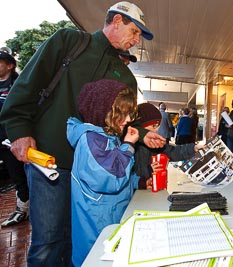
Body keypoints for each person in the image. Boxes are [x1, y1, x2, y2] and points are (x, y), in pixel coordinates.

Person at [0, 2, 166, 266]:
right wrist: (19, 130)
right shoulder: (69, 41)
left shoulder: (125, 77)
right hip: (50, 160)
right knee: (49, 241)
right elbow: (28, 83)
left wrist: (144, 134)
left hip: (93, 168)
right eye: (134, 31)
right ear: (116, 21)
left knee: (81, 239)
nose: (137, 40)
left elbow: (122, 120)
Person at [66, 79, 141, 267]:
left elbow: (121, 175)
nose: (129, 119)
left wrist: (139, 182)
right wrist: (129, 145)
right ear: (102, 112)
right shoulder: (90, 140)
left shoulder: (106, 137)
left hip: (108, 222)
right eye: (122, 114)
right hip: (96, 232)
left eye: (130, 114)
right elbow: (111, 178)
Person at [134, 103, 204, 187]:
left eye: (158, 126)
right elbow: (128, 175)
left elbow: (173, 151)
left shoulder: (154, 142)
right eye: (154, 126)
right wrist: (148, 171)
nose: (157, 130)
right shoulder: (131, 145)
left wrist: (193, 148)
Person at [0, 49, 30, 227]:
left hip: (13, 139)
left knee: (19, 175)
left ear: (10, 65)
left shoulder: (19, 86)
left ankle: (23, 208)